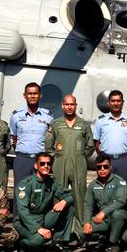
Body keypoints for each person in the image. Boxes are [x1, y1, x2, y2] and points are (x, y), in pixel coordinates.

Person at [45, 93, 94, 236]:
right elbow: (48, 145)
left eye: (72, 104)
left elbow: (90, 145)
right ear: (62, 106)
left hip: (79, 163)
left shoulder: (84, 125)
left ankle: (80, 230)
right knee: (59, 195)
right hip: (60, 163)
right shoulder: (56, 124)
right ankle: (58, 231)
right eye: (67, 104)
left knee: (80, 194)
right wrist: (56, 157)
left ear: (76, 106)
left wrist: (81, 157)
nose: (69, 107)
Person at [13, 151, 76, 252]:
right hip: (25, 223)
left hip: (43, 218)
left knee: (68, 207)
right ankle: (21, 244)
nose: (46, 166)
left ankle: (58, 242)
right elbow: (23, 211)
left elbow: (70, 196)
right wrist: (38, 229)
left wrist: (64, 201)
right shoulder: (26, 184)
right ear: (36, 166)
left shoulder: (52, 183)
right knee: (37, 241)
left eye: (48, 164)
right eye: (42, 164)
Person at [80, 154, 127, 252]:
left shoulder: (119, 181)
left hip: (120, 217)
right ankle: (106, 238)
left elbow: (120, 202)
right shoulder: (92, 185)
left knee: (117, 214)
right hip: (103, 220)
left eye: (105, 166)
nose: (102, 169)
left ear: (110, 167)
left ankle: (114, 244)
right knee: (81, 234)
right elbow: (88, 205)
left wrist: (103, 213)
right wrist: (87, 222)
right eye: (99, 167)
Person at [10, 82, 53, 187]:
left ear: (40, 95)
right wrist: (22, 151)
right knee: (20, 190)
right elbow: (13, 137)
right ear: (24, 95)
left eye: (35, 93)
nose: (32, 96)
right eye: (29, 93)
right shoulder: (16, 116)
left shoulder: (48, 117)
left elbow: (51, 139)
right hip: (22, 159)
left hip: (41, 160)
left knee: (40, 190)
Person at [94, 90, 127, 182]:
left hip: (123, 160)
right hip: (106, 159)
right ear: (108, 103)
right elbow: (96, 142)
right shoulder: (100, 121)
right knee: (105, 186)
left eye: (118, 101)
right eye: (113, 101)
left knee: (124, 186)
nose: (116, 103)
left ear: (123, 102)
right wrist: (102, 157)